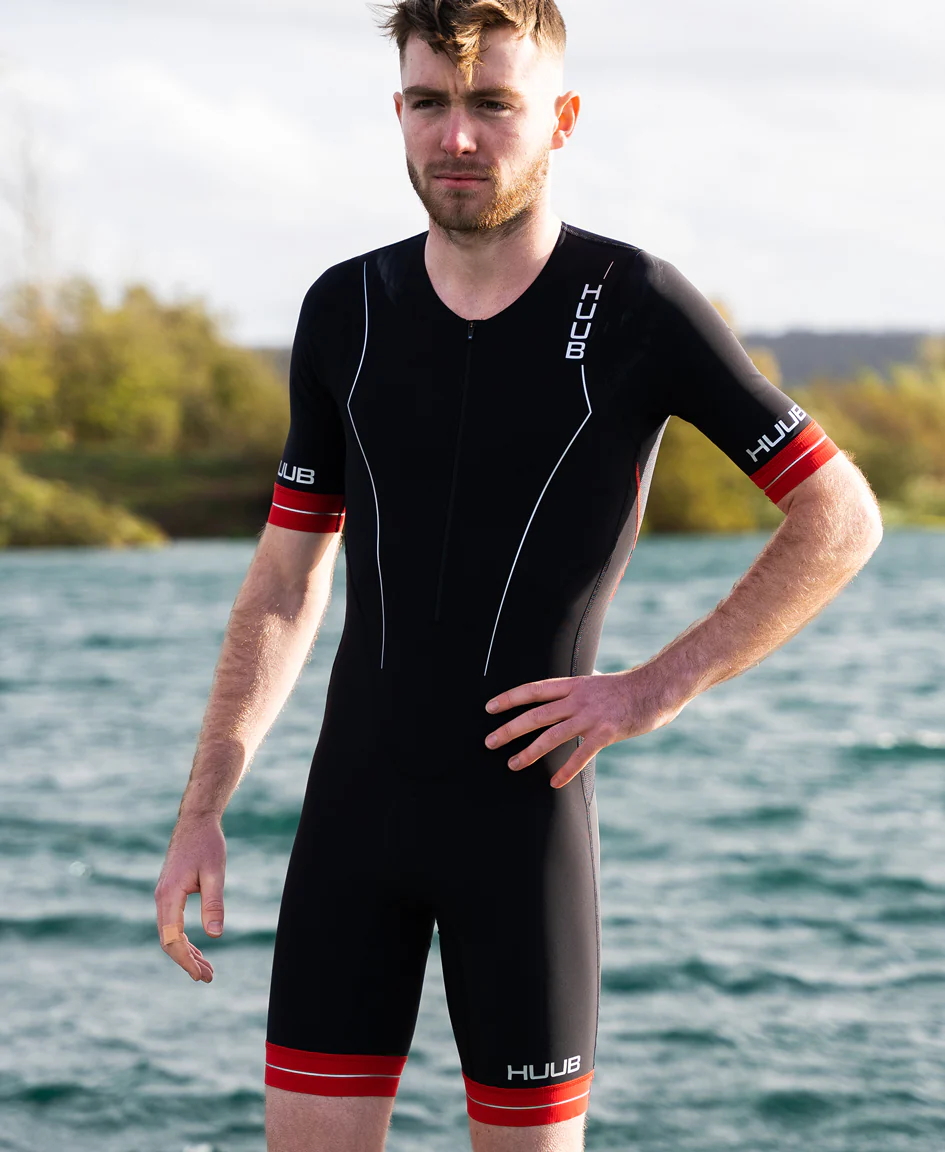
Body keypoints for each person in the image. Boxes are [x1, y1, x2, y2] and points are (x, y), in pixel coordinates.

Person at [154, 2, 883, 1150]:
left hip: (522, 841)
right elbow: (287, 582)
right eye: (430, 103)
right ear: (398, 111)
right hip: (351, 830)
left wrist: (653, 689)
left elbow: (840, 515)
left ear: (562, 118)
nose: (457, 136)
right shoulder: (344, 309)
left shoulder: (639, 304)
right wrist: (203, 807)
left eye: (493, 104)